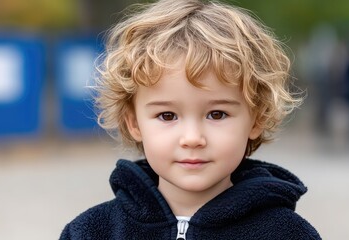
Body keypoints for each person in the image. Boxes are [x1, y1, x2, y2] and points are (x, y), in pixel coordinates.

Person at [59, 0, 321, 239]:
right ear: (134, 123)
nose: (193, 138)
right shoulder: (90, 231)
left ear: (257, 119)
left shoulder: (289, 234)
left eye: (217, 114)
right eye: (167, 115)